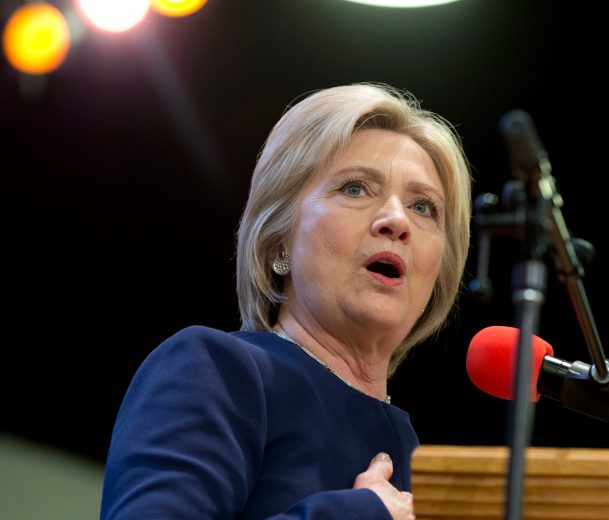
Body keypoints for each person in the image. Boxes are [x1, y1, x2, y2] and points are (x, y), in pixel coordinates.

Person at [100, 82, 473, 519]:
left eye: (423, 207)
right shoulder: (217, 370)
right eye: (355, 188)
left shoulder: (411, 449)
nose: (396, 220)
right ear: (279, 241)